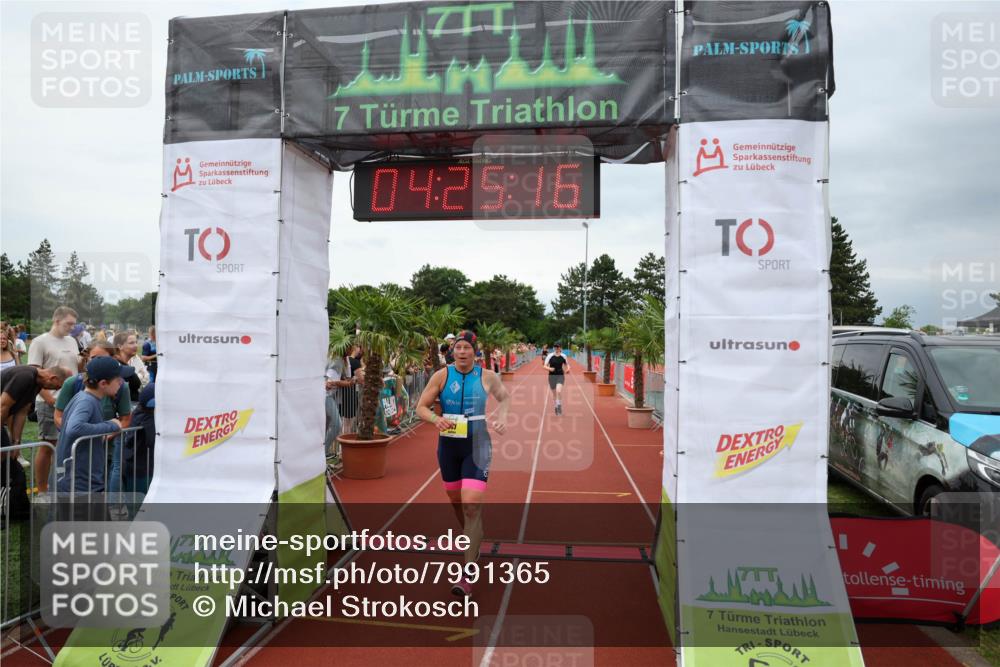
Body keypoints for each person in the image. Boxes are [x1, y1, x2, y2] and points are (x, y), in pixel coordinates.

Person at [415, 330, 510, 597]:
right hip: (448, 446)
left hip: (477, 444)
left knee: (471, 505)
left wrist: (503, 418)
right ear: (453, 351)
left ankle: (467, 574)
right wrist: (435, 420)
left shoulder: (487, 376)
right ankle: (473, 536)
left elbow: (505, 399)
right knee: (457, 502)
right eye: (459, 347)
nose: (462, 352)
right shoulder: (442, 376)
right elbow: (420, 407)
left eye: (467, 347)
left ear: (475, 351)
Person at [55, 356, 132, 494]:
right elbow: (75, 428)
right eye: (118, 379)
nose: (121, 383)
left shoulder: (85, 398)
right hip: (80, 483)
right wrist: (111, 425)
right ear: (103, 383)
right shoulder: (87, 401)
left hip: (81, 480)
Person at [2, 365, 73, 513]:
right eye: (57, 386)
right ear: (52, 378)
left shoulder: (36, 384)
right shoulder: (25, 376)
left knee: (5, 457)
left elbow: (21, 413)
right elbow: (3, 406)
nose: (57, 390)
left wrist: (16, 443)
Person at [28, 306, 82, 492]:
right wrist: (50, 399)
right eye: (69, 324)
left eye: (74, 324)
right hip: (49, 401)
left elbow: (77, 369)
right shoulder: (40, 342)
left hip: (73, 402)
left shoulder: (73, 341)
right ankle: (42, 489)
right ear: (56, 321)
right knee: (47, 446)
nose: (72, 328)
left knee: (67, 446)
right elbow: (33, 375)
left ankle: (62, 485)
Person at [123, 382, 155, 493]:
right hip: (141, 468)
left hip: (133, 463)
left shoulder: (138, 411)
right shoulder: (147, 418)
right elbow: (152, 440)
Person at [113, 331, 149, 397]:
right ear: (120, 346)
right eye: (131, 343)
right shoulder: (114, 364)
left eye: (136, 342)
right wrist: (140, 375)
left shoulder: (135, 358)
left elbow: (146, 378)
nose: (136, 345)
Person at [543, 343, 570, 416]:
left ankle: (559, 406)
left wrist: (568, 369)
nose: (556, 349)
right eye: (555, 347)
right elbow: (544, 366)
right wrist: (549, 368)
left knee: (559, 390)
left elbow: (567, 364)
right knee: (554, 394)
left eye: (558, 347)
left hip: (560, 375)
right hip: (552, 376)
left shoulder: (563, 356)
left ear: (560, 348)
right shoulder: (550, 356)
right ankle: (555, 406)